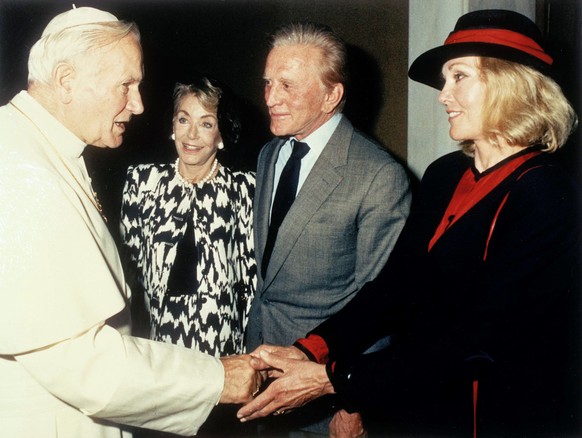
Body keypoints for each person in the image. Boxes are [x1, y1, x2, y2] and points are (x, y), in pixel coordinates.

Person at [239, 9, 581, 437]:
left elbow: (481, 341)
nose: (442, 95)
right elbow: (393, 289)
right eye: (445, 80)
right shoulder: (444, 175)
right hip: (419, 410)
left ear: (509, 84)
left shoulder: (546, 194)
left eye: (459, 77)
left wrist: (335, 379)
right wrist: (311, 349)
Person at [0, 7, 260, 437]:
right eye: (126, 85)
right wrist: (217, 378)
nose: (138, 105)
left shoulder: (42, 148)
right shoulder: (21, 172)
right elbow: (84, 367)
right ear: (67, 81)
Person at [245, 22, 411, 436]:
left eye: (287, 85)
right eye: (268, 83)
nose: (270, 98)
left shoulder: (378, 176)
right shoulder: (270, 154)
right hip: (261, 372)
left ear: (331, 95)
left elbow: (380, 304)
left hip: (323, 396)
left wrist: (354, 406)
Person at [120, 77, 256, 437]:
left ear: (221, 135)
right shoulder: (143, 183)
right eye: (183, 119)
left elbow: (252, 279)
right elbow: (128, 270)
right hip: (158, 358)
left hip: (222, 362)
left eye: (206, 123)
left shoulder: (245, 191)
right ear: (171, 127)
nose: (192, 134)